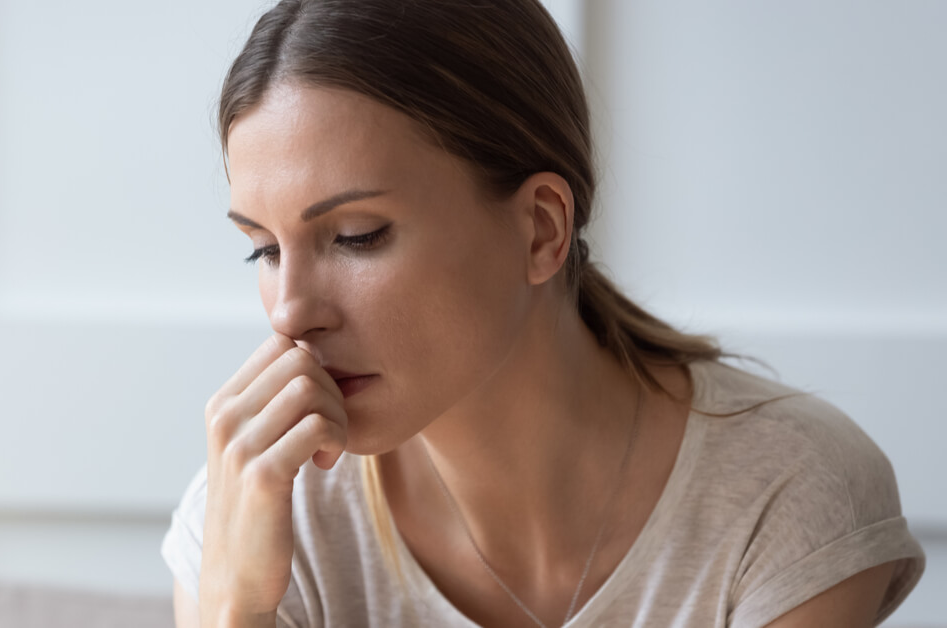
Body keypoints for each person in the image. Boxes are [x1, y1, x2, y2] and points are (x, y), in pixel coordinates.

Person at [161, 1, 926, 626]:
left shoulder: (783, 496)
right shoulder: (254, 514)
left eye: (358, 236)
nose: (290, 311)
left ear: (541, 229)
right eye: (261, 249)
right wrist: (233, 608)